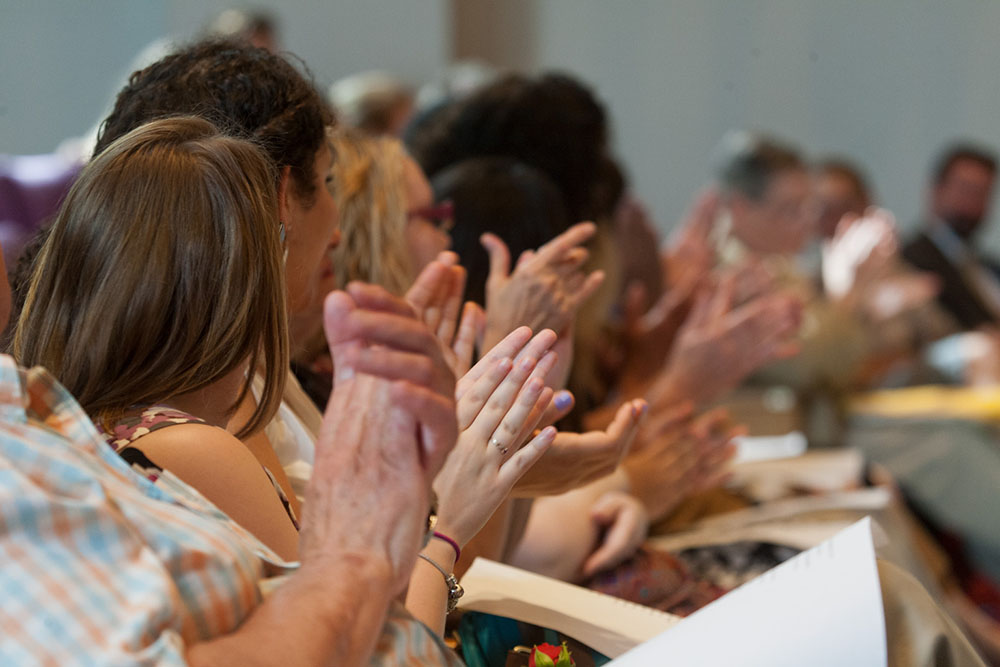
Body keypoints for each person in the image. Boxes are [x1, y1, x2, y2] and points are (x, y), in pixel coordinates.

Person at [4, 116, 464, 665]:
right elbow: (352, 637)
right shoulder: (190, 443)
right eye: (277, 241)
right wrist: (454, 517)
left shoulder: (112, 427)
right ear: (239, 283)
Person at [902, 143, 1000, 329]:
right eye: (965, 189)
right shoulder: (911, 260)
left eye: (982, 193)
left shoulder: (989, 267)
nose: (972, 203)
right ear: (936, 191)